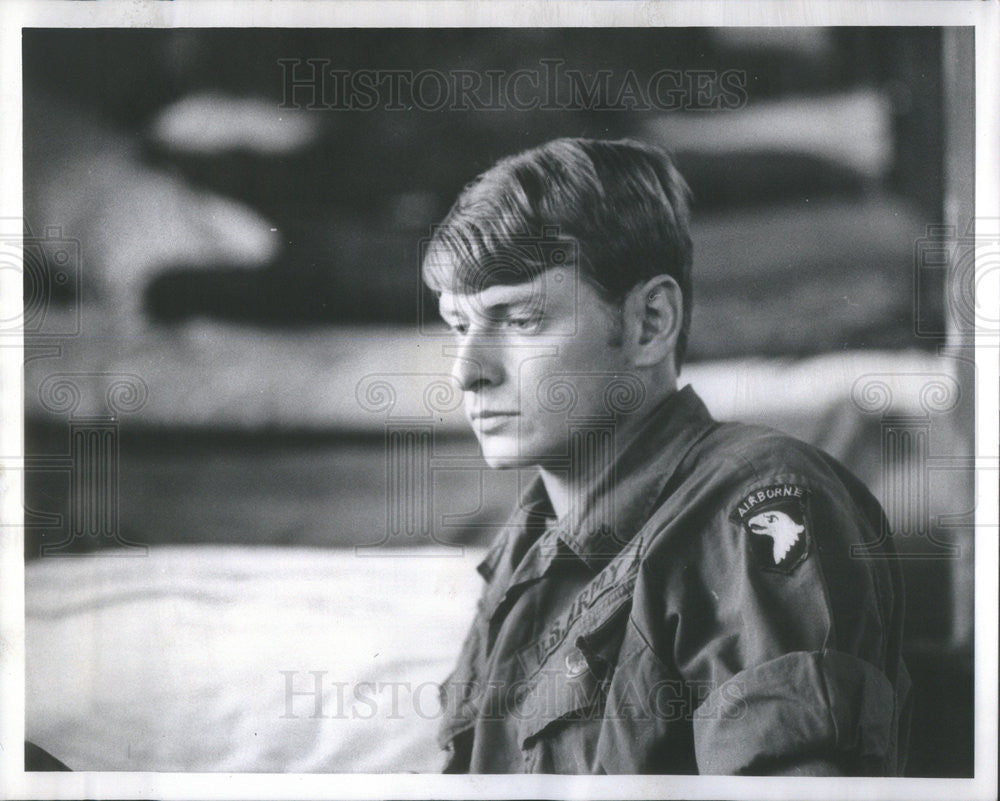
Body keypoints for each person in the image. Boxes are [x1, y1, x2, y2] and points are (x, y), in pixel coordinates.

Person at [422, 137, 910, 775]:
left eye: (518, 319)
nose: (466, 373)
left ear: (650, 322)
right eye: (459, 326)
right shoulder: (530, 545)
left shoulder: (754, 501)